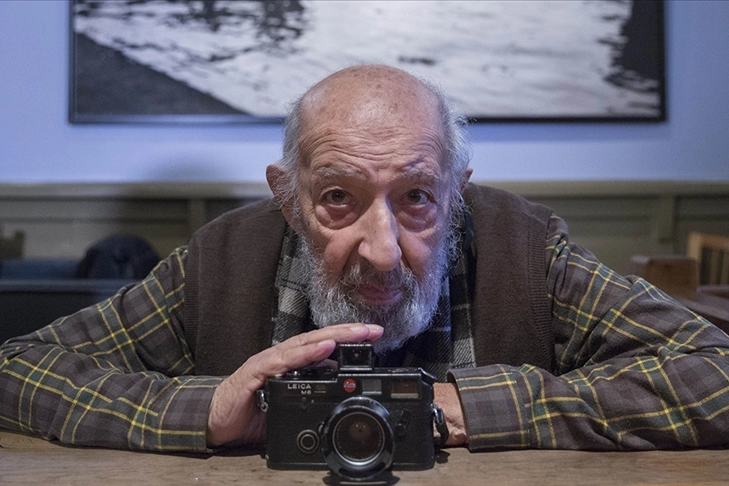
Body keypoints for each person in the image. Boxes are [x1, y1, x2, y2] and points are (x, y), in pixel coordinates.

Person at [2, 65, 729, 453]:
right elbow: (17, 368)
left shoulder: (528, 250)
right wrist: (205, 409)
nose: (382, 253)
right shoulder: (219, 260)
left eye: (417, 198)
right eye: (337, 199)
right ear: (289, 200)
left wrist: (467, 407)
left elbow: (716, 372)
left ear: (456, 194)